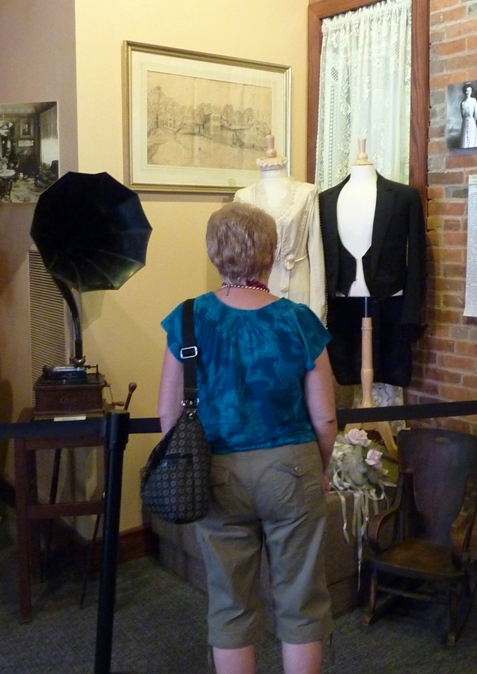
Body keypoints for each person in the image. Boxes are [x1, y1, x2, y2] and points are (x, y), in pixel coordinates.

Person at [158, 202, 338, 674]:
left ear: (214, 252)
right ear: (271, 253)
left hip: (217, 469)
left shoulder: (187, 318)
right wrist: (320, 467)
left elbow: (168, 413)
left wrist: (187, 469)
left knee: (230, 603)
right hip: (291, 466)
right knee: (301, 600)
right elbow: (325, 418)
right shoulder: (297, 319)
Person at [318, 142, 426, 388]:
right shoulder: (325, 200)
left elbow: (417, 260)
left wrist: (412, 315)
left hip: (390, 300)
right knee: (347, 369)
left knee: (386, 362)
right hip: (340, 305)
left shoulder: (405, 197)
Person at [234, 136, 326, 321]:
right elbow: (238, 261)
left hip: (297, 286)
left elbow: (316, 253)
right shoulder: (242, 197)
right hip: (255, 290)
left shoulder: (307, 193)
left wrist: (318, 309)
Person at [460, 83, 477, 149]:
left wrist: (472, 121)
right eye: (466, 91)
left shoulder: (474, 100)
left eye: (469, 90)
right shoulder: (462, 103)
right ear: (465, 92)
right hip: (465, 123)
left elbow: (476, 114)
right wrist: (466, 120)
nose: (468, 92)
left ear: (471, 91)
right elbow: (462, 115)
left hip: (472, 122)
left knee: (471, 140)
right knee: (464, 141)